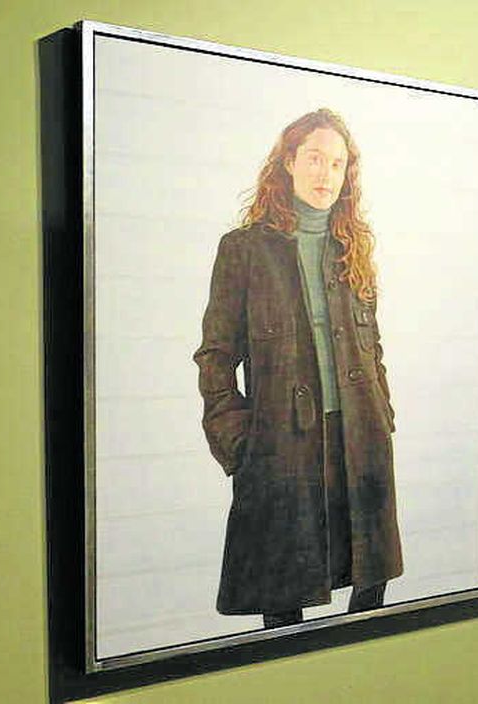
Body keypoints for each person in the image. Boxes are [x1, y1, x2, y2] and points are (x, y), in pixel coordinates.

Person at [194, 108, 403, 628]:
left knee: (366, 585)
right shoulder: (243, 250)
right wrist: (236, 439)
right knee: (281, 591)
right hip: (281, 445)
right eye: (314, 159)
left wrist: (384, 413)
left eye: (337, 164)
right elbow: (215, 356)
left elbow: (371, 344)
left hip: (359, 438)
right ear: (288, 162)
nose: (324, 175)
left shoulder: (353, 247)